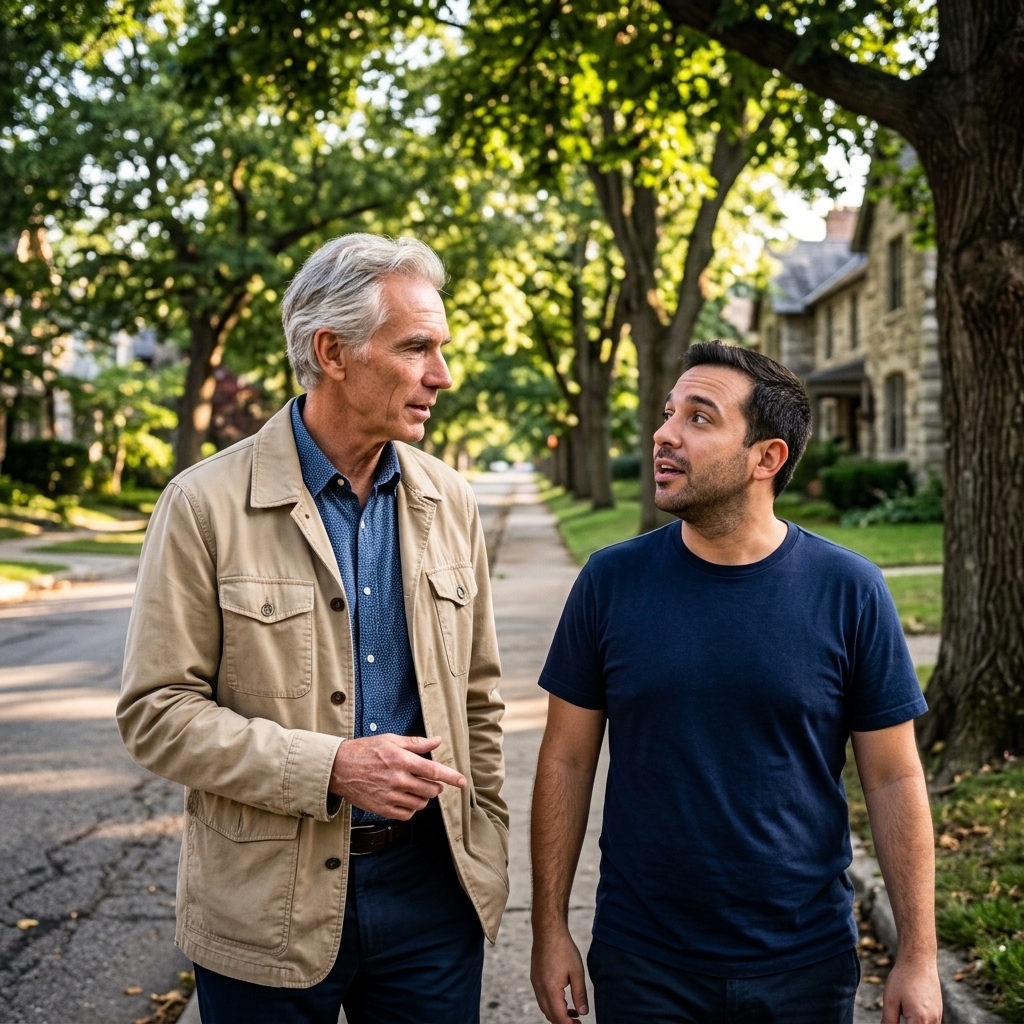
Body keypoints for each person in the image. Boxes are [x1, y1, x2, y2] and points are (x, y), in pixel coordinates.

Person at [117, 234, 509, 1024]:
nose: (443, 375)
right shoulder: (203, 504)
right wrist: (331, 767)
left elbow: (478, 700)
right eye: (417, 349)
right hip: (264, 907)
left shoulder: (450, 500)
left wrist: (486, 841)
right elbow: (156, 714)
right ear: (332, 351)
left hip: (434, 900)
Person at [530, 341, 941, 1024]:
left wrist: (919, 956)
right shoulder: (609, 582)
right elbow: (567, 760)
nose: (663, 433)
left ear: (766, 458)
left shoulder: (850, 590)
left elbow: (894, 779)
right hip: (644, 960)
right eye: (667, 413)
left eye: (698, 417)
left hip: (805, 962)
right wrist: (549, 930)